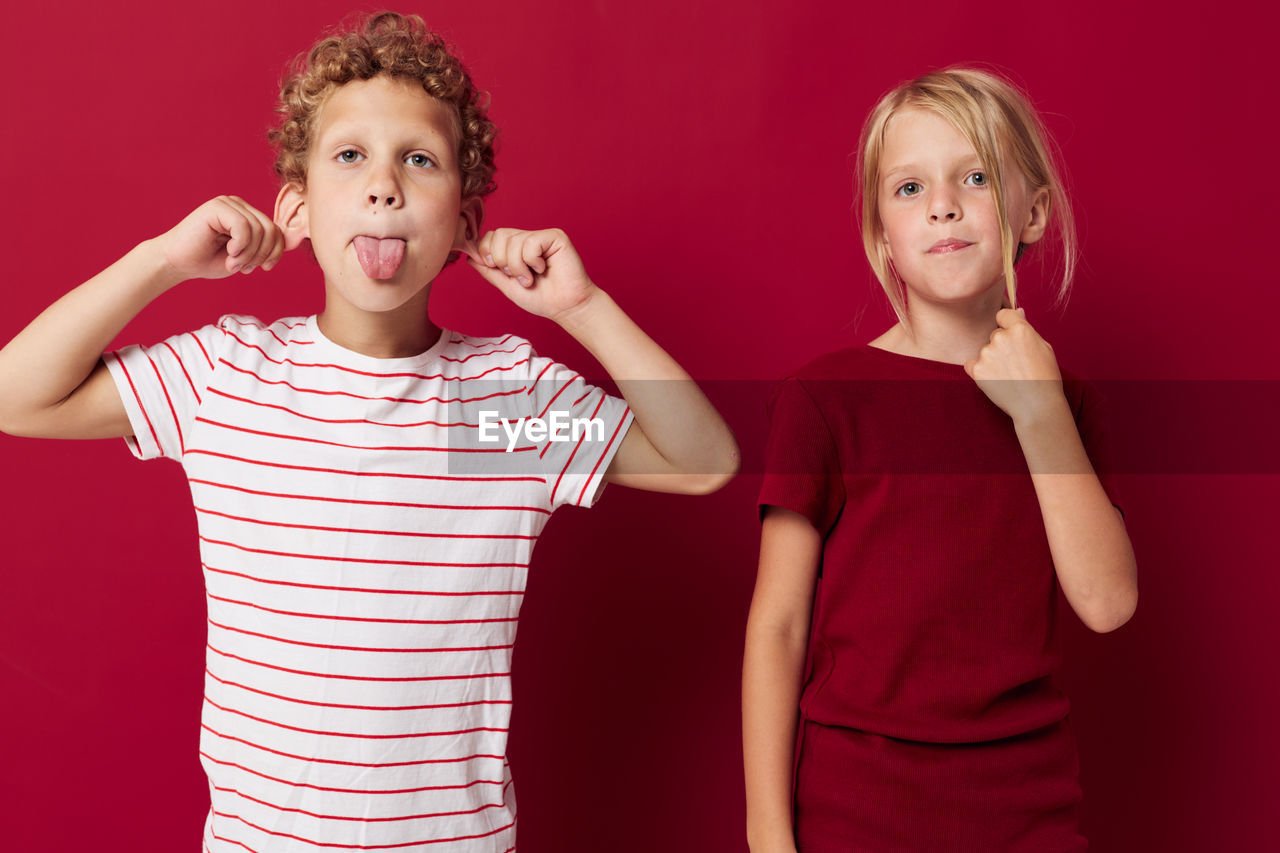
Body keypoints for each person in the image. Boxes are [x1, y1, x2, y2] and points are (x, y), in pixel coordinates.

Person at [0, 12, 738, 852]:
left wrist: (584, 309)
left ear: (463, 224)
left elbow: (704, 461)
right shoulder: (225, 375)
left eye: (418, 161)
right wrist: (163, 260)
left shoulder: (505, 400)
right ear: (298, 206)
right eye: (350, 156)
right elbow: (13, 396)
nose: (383, 185)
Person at [742, 67, 1138, 852]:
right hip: (857, 807)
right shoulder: (824, 400)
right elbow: (778, 627)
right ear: (881, 229)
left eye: (977, 176)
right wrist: (768, 836)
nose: (943, 205)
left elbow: (1107, 602)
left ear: (1034, 212)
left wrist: (1040, 412)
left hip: (1026, 807)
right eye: (910, 188)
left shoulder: (1071, 404)